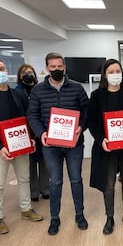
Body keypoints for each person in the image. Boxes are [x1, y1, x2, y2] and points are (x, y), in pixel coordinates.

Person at [0, 58, 43, 234]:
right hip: (0, 149)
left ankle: (26, 209)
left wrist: (31, 137)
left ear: (7, 71)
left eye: (2, 68)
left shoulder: (18, 95)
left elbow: (27, 119)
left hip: (21, 145)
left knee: (24, 179)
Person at [27, 52, 89, 236]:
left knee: (76, 179)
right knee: (55, 182)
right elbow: (32, 115)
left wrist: (81, 128)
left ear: (64, 67)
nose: (56, 70)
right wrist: (41, 133)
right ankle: (55, 217)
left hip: (74, 144)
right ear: (47, 68)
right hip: (51, 145)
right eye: (52, 67)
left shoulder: (77, 88)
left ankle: (80, 214)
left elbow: (86, 111)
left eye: (59, 66)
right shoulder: (38, 90)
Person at [87, 59, 123, 235]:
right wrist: (101, 139)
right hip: (107, 148)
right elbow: (92, 122)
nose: (115, 74)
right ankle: (109, 217)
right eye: (111, 72)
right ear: (104, 75)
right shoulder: (96, 96)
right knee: (108, 184)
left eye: (118, 71)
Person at [16, 63, 49, 202]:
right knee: (29, 165)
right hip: (26, 134)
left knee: (44, 162)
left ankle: (45, 189)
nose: (28, 75)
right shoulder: (17, 92)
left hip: (41, 131)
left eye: (30, 72)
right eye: (24, 73)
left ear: (35, 75)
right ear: (20, 76)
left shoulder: (40, 90)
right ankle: (34, 191)